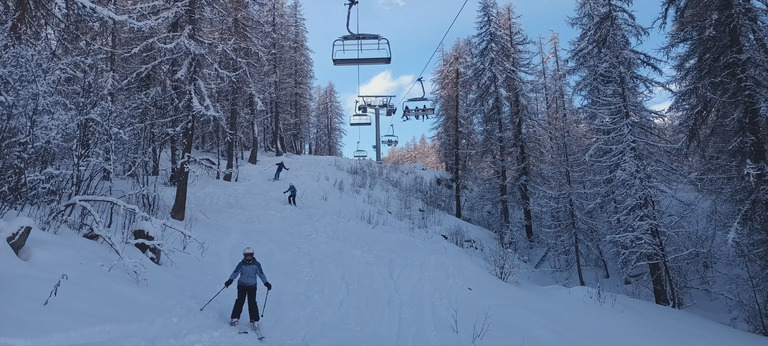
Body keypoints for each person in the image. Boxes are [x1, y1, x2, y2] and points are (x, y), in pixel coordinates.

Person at [225, 247, 272, 330]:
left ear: (252, 255)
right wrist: (230, 280)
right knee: (240, 301)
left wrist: (266, 283)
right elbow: (235, 272)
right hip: (241, 285)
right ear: (244, 256)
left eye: (250, 255)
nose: (248, 257)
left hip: (252, 286)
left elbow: (261, 274)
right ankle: (235, 318)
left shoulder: (256, 264)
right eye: (247, 255)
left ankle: (254, 320)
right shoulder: (241, 264)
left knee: (252, 302)